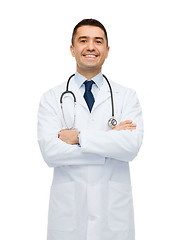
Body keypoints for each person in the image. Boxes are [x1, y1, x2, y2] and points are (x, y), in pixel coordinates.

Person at [37, 18, 143, 240]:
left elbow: (130, 147)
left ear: (107, 50)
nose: (91, 47)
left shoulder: (127, 97)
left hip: (113, 219)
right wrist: (109, 143)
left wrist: (79, 138)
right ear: (72, 49)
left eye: (98, 41)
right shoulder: (51, 98)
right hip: (69, 219)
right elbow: (51, 153)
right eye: (83, 40)